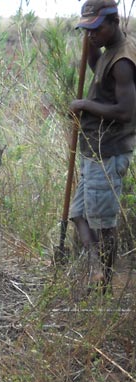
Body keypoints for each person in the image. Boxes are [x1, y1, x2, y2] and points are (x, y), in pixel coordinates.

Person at [70, 0, 136, 288]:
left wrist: (85, 104)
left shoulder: (123, 61)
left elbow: (125, 111)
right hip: (95, 149)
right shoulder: (109, 51)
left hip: (108, 151)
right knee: (78, 214)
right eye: (87, 30)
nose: (91, 35)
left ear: (114, 22)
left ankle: (105, 284)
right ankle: (95, 267)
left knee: (103, 224)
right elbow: (98, 68)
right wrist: (91, 43)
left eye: (96, 29)